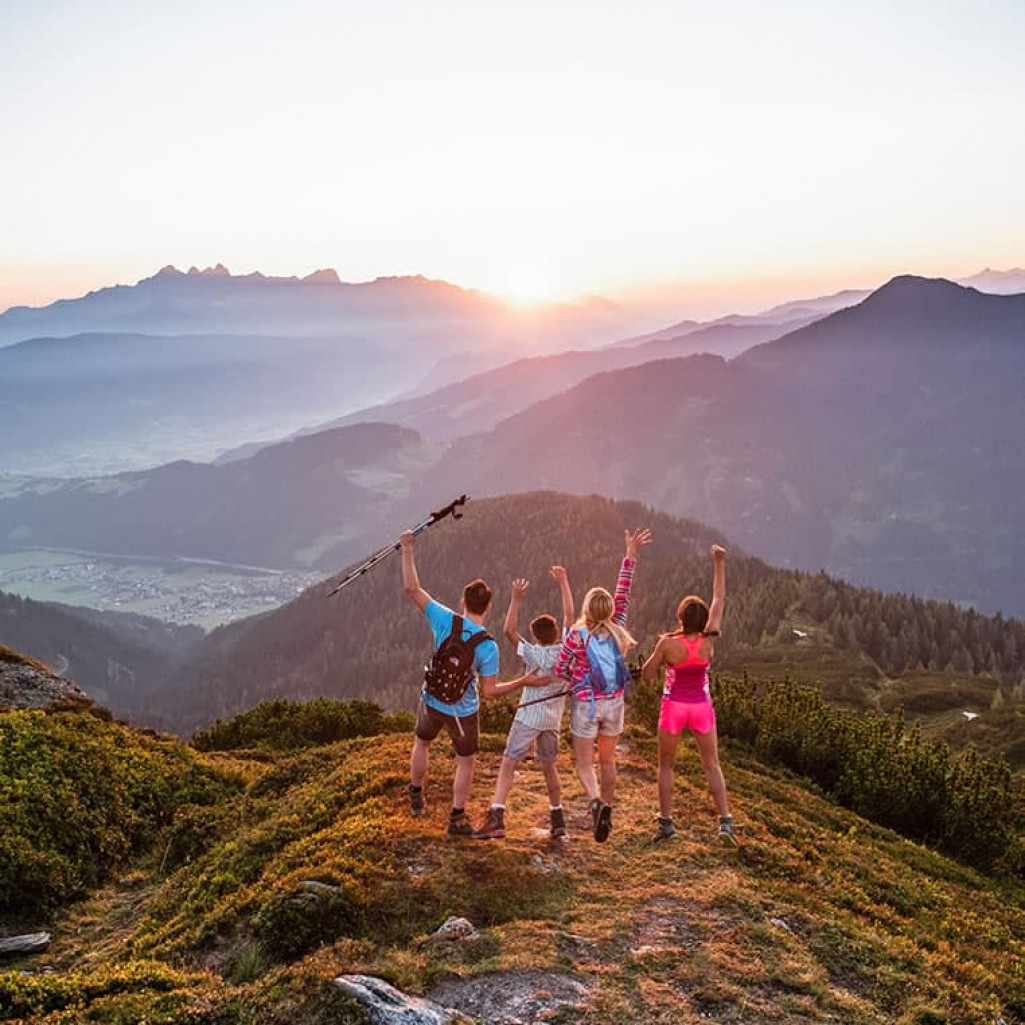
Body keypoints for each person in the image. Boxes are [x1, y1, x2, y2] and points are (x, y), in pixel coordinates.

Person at [400, 530, 547, 836]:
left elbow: (412, 588)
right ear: (489, 607)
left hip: (431, 698)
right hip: (463, 711)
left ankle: (415, 796)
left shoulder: (444, 618)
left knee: (422, 743)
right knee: (465, 761)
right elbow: (491, 692)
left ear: (463, 601)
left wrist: (407, 548)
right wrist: (524, 681)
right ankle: (456, 818)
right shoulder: (488, 646)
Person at [556, 527, 652, 842]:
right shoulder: (618, 628)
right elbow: (623, 589)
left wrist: (575, 681)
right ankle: (607, 809)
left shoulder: (576, 634)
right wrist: (631, 554)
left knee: (585, 762)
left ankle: (595, 802)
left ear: (586, 609)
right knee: (608, 760)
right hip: (614, 703)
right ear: (610, 610)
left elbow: (561, 667)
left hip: (586, 704)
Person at [641, 544, 735, 846]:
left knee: (666, 766)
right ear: (704, 619)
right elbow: (720, 597)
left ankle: (666, 823)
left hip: (673, 707)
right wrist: (719, 563)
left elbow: (647, 673)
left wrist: (653, 659)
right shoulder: (710, 640)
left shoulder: (668, 644)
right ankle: (725, 823)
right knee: (712, 764)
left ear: (679, 617)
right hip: (701, 707)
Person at [473, 566, 575, 841]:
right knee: (549, 765)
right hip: (552, 721)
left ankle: (497, 816)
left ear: (535, 635)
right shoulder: (566, 653)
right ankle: (557, 817)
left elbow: (508, 631)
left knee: (509, 762)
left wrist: (516, 598)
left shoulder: (533, 654)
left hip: (528, 717)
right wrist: (563, 582)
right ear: (556, 632)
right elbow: (570, 615)